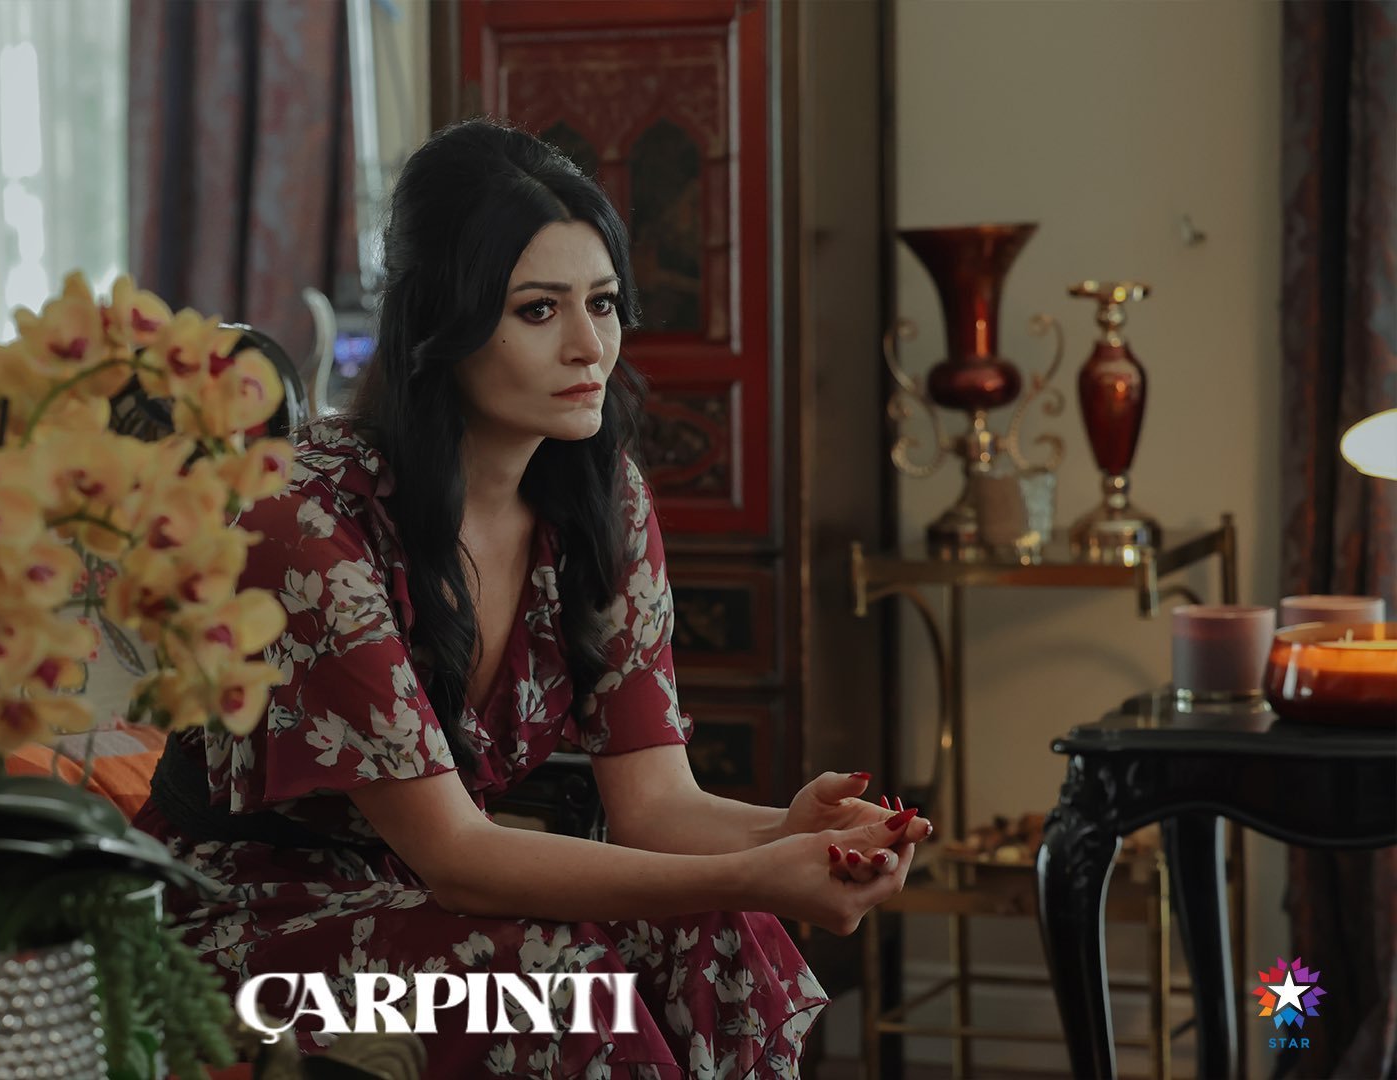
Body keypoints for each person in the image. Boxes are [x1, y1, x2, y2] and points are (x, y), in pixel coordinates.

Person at [132, 118, 930, 1080]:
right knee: (555, 980)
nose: (590, 346)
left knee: (715, 926)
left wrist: (789, 833)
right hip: (239, 936)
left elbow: (656, 807)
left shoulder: (602, 499)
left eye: (604, 302)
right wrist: (758, 870)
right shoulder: (307, 522)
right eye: (539, 310)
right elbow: (459, 855)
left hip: (414, 900)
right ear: (441, 322)